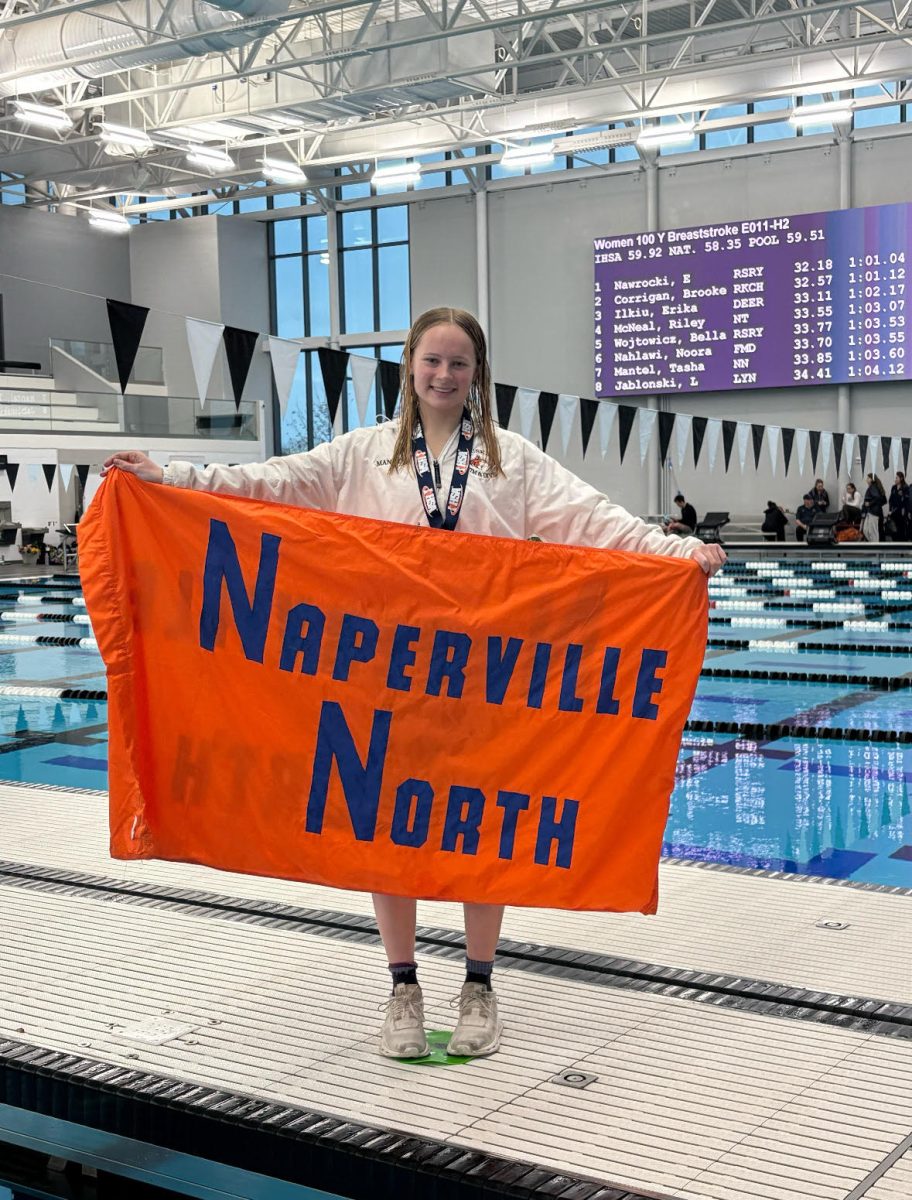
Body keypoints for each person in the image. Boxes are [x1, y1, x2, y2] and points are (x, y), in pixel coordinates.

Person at [102, 306, 725, 1062]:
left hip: (480, 688)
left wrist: (675, 554)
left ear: (478, 375)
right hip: (385, 685)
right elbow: (269, 484)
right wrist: (171, 477)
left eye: (459, 363)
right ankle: (403, 984)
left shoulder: (510, 460)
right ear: (409, 366)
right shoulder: (360, 455)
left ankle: (480, 984)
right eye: (432, 360)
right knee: (385, 830)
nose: (444, 375)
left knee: (481, 827)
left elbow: (591, 519)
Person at [862, 473, 887, 542]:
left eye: (868, 478)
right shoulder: (876, 487)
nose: (866, 480)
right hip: (873, 512)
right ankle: (874, 546)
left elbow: (878, 498)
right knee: (866, 530)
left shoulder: (873, 487)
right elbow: (883, 500)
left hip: (873, 513)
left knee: (873, 532)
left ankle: (876, 549)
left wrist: (869, 503)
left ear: (872, 479)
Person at [888, 471, 910, 541]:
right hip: (893, 513)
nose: (895, 479)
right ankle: (895, 547)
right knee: (894, 530)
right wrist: (890, 510)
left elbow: (905, 502)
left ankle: (902, 549)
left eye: (897, 478)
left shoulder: (905, 487)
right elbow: (890, 500)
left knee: (901, 531)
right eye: (895, 478)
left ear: (901, 478)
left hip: (901, 513)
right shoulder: (894, 487)